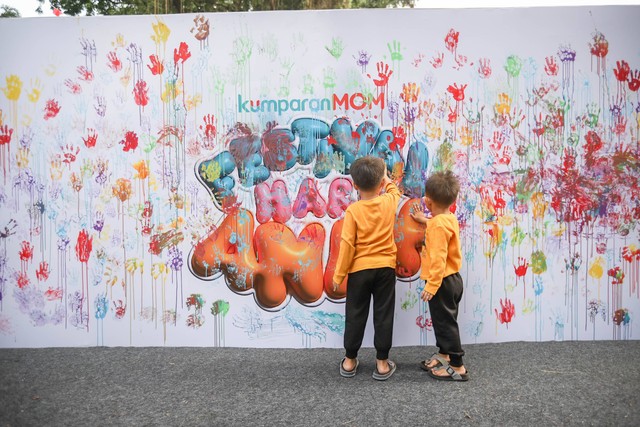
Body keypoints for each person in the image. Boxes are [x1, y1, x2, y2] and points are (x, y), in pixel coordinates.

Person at [332, 156, 401, 381]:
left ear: (354, 185)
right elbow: (394, 190)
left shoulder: (353, 211)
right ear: (381, 183)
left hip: (359, 270)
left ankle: (350, 360)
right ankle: (382, 363)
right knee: (383, 314)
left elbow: (347, 245)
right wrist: (385, 177)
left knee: (355, 314)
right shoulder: (389, 200)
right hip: (385, 269)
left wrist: (339, 275)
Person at [410, 170, 469, 382]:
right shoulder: (449, 218)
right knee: (443, 321)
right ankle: (444, 354)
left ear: (427, 200)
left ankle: (457, 365)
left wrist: (431, 286)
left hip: (442, 281)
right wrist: (425, 220)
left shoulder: (437, 226)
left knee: (446, 324)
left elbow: (438, 258)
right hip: (453, 280)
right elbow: (439, 224)